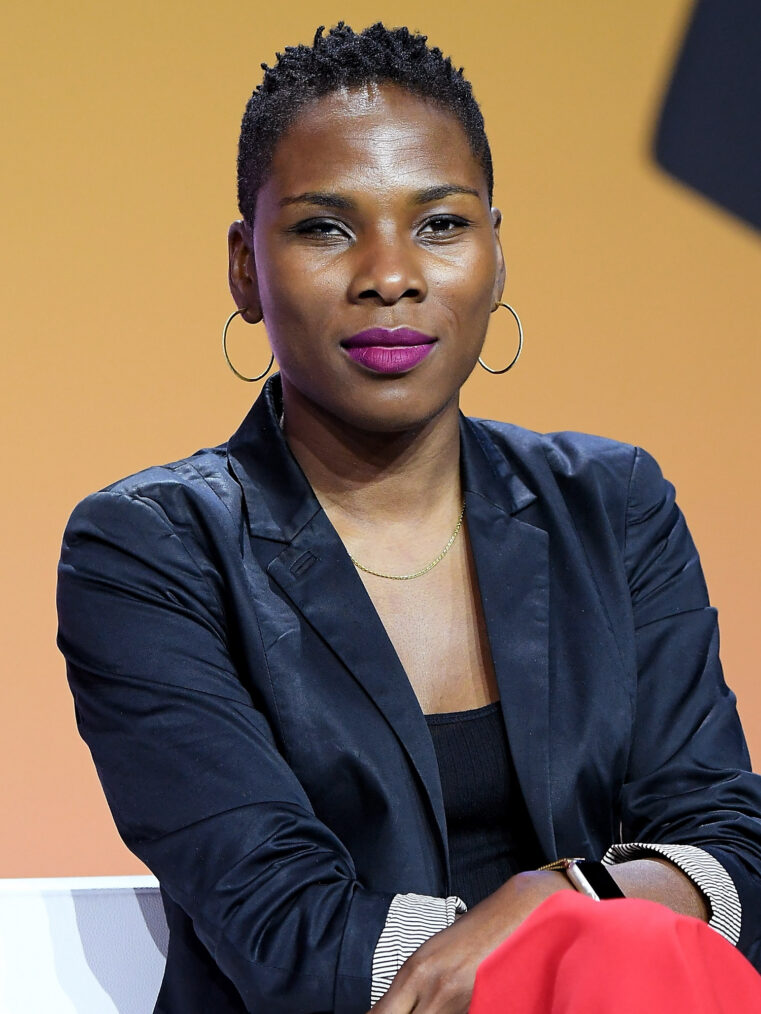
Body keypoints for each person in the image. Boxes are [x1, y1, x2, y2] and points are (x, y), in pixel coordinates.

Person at [56, 22, 761, 1014]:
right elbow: (285, 925)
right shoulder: (150, 550)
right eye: (323, 227)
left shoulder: (614, 505)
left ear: (494, 253)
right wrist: (572, 944)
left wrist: (568, 898)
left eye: (438, 224)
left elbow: (724, 844)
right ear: (244, 268)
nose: (389, 275)